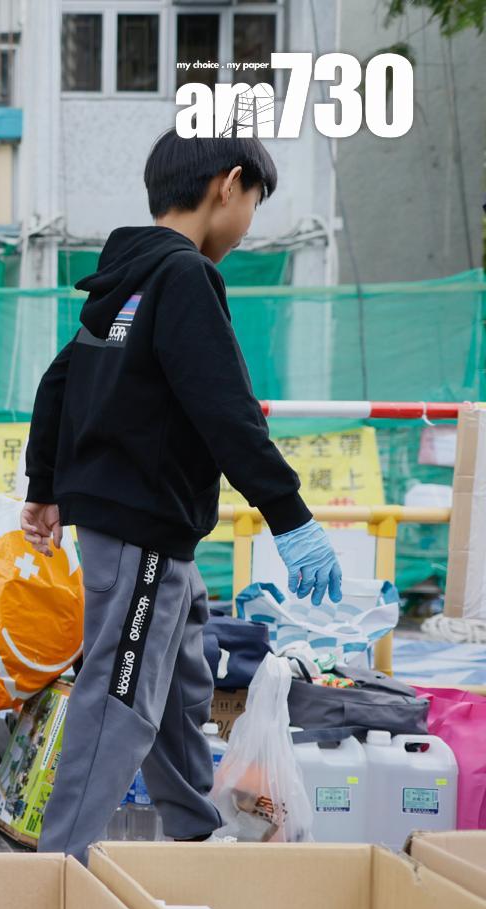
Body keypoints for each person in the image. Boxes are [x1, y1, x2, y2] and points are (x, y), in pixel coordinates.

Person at [22, 132, 344, 862]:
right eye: (254, 202)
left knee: (176, 683)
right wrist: (290, 516)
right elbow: (225, 408)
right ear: (227, 185)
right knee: (119, 696)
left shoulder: (127, 276)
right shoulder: (182, 275)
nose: (249, 223)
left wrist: (45, 485)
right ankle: (58, 867)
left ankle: (197, 833)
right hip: (143, 527)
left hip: (140, 530)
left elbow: (60, 379)